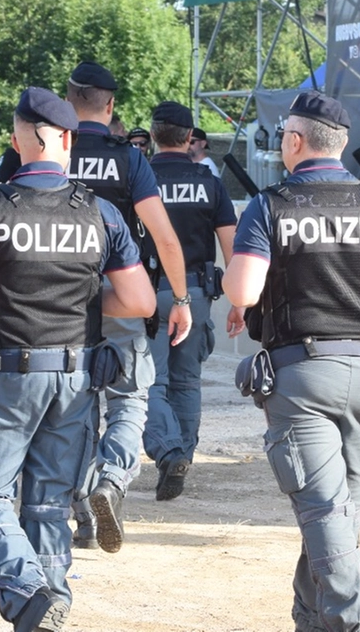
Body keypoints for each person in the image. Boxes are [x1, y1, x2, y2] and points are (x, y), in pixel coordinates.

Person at [0, 87, 157, 632]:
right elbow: (140, 301)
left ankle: (26, 589)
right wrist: (82, 297)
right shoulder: (100, 213)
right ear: (68, 141)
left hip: (10, 377)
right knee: (50, 505)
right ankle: (48, 608)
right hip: (77, 378)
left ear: (16, 142)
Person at [224, 91, 360, 632]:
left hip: (303, 375)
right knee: (337, 516)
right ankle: (311, 620)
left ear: (294, 141)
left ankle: (349, 622)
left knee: (324, 514)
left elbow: (242, 289)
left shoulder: (271, 204)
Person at [60, 62, 192, 553]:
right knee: (129, 399)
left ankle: (85, 519)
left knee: (72, 411)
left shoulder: (47, 151)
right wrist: (179, 299)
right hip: (119, 296)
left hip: (54, 304)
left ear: (67, 99)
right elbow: (164, 236)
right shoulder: (128, 159)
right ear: (110, 106)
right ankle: (112, 480)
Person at [140, 101, 241, 501]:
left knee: (148, 382)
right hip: (196, 293)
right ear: (189, 138)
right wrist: (239, 301)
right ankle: (181, 455)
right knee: (187, 382)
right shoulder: (209, 181)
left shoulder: (140, 176)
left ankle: (169, 453)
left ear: (152, 135)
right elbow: (232, 245)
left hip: (147, 292)